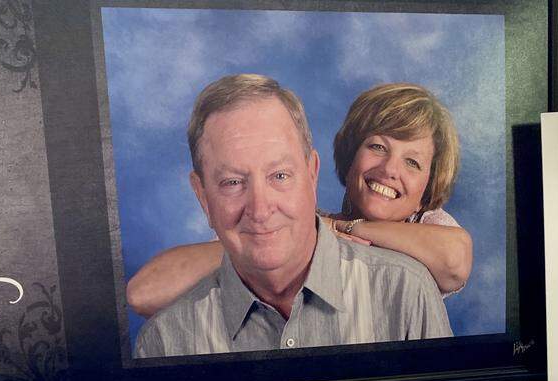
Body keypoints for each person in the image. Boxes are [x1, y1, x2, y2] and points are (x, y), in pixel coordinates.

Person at [133, 75, 451, 359]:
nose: (260, 208)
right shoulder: (165, 339)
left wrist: (331, 230)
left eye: (280, 175)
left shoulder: (411, 284)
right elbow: (143, 292)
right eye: (232, 182)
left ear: (312, 173)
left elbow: (455, 260)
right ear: (202, 196)